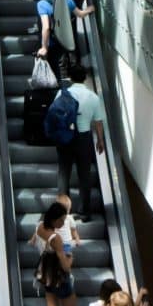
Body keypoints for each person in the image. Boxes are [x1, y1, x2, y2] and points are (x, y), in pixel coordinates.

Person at [57, 62, 106, 215]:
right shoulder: (93, 97)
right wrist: (100, 140)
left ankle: (62, 211)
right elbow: (98, 121)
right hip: (84, 137)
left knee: (64, 173)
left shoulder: (62, 94)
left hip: (65, 136)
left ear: (70, 77)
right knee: (84, 174)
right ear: (84, 78)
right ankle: (84, 211)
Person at [34, 199, 78, 306]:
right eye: (61, 220)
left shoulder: (40, 227)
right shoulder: (56, 239)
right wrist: (70, 259)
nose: (64, 223)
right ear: (54, 219)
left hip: (47, 275)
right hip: (59, 277)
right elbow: (65, 267)